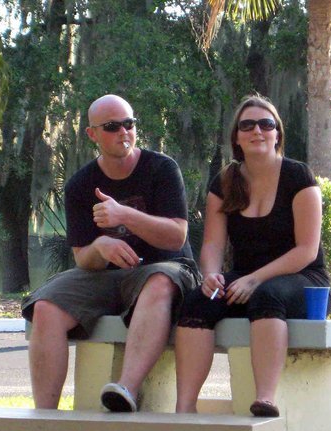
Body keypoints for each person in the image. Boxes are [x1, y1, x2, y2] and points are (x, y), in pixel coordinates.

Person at [22, 94, 199, 412]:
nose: (123, 132)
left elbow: (176, 237)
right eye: (112, 126)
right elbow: (83, 259)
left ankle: (125, 390)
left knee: (159, 281)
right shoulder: (81, 185)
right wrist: (101, 247)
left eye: (129, 124)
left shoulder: (161, 169)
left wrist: (124, 215)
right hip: (107, 277)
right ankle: (44, 416)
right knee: (46, 306)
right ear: (92, 134)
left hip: (168, 268)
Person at [174, 95, 331, 417]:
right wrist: (211, 275)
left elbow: (306, 250)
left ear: (277, 133)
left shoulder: (298, 177)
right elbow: (213, 245)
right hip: (244, 281)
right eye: (247, 125)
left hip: (303, 280)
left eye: (265, 124)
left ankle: (265, 399)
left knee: (267, 295)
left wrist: (255, 279)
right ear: (236, 136)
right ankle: (185, 407)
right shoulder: (225, 182)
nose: (257, 131)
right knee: (197, 301)